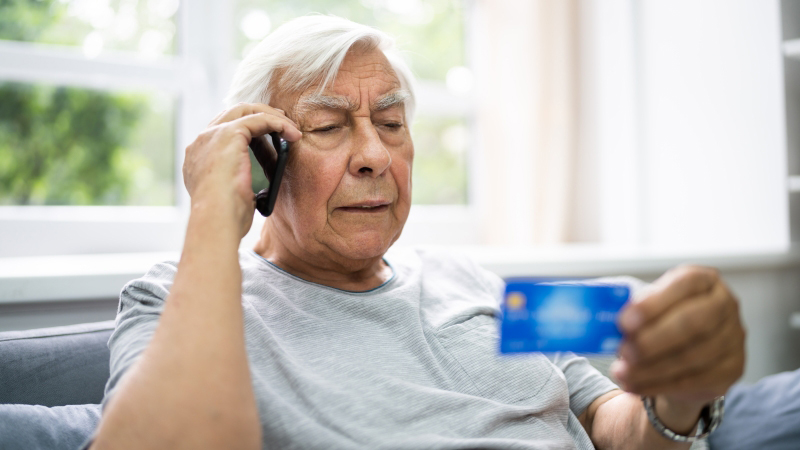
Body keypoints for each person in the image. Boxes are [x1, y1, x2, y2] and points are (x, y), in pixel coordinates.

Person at [89, 15, 746, 450]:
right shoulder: (175, 300)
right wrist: (212, 210)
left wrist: (679, 398)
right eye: (328, 126)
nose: (374, 153)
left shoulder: (478, 281)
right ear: (262, 157)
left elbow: (611, 423)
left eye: (392, 122)